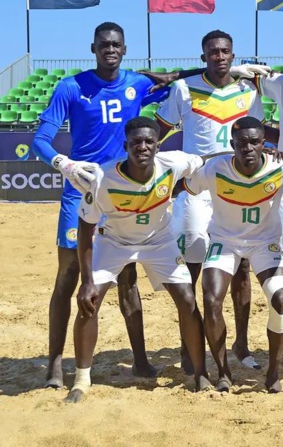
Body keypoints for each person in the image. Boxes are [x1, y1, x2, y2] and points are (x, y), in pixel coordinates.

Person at [32, 22, 164, 388]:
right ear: (93, 48)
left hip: (122, 192)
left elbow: (184, 85)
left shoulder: (137, 84)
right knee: (69, 273)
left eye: (116, 44)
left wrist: (234, 72)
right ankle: (55, 364)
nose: (110, 49)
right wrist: (66, 164)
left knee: (127, 275)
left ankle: (140, 360)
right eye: (104, 44)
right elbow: (41, 140)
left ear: (125, 49)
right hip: (80, 191)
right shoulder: (70, 87)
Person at [65, 117, 211, 403]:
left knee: (188, 300)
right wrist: (86, 280)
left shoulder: (173, 163)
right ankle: (81, 381)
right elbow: (85, 228)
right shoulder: (103, 178)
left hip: (160, 241)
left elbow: (205, 159)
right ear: (126, 146)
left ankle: (200, 372)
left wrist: (262, 152)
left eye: (148, 142)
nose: (142, 147)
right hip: (114, 242)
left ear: (158, 146)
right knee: (88, 302)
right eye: (136, 142)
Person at [154, 30, 266, 371]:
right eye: (213, 52)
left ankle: (242, 346)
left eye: (225, 51)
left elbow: (259, 135)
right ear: (203, 57)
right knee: (191, 266)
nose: (219, 56)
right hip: (196, 189)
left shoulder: (248, 92)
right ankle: (190, 346)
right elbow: (158, 133)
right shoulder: (183, 89)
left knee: (241, 265)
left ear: (233, 55)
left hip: (237, 188)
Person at [184, 116, 283, 393]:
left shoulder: (281, 164)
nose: (248, 148)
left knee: (281, 299)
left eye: (254, 142)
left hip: (265, 243)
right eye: (241, 143)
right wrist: (215, 155)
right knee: (211, 299)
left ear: (264, 143)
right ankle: (223, 372)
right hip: (224, 242)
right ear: (232, 144)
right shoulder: (215, 168)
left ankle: (273, 372)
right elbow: (187, 182)